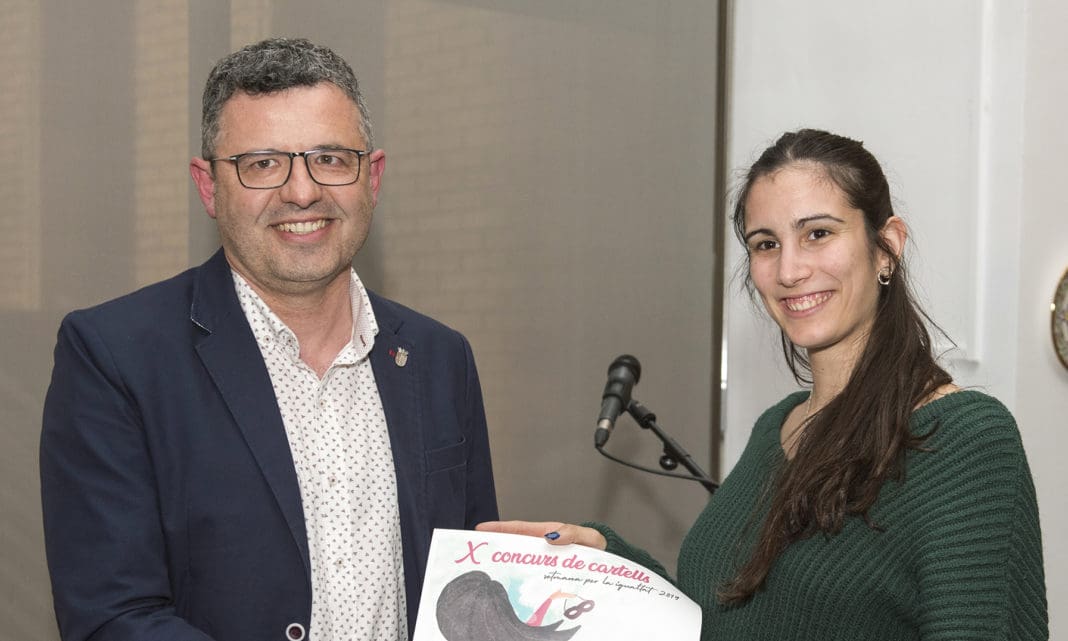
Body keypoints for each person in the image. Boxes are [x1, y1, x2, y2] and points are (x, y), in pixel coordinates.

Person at [480, 129, 1047, 640]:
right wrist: (606, 558)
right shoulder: (777, 426)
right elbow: (730, 616)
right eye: (765, 244)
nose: (789, 270)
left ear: (887, 246)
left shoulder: (964, 438)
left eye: (818, 233)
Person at [40, 37, 497, 641]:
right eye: (262, 164)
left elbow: (466, 593)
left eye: (330, 158)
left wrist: (561, 574)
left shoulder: (441, 359)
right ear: (208, 187)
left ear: (373, 177)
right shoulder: (114, 357)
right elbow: (111, 617)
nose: (302, 192)